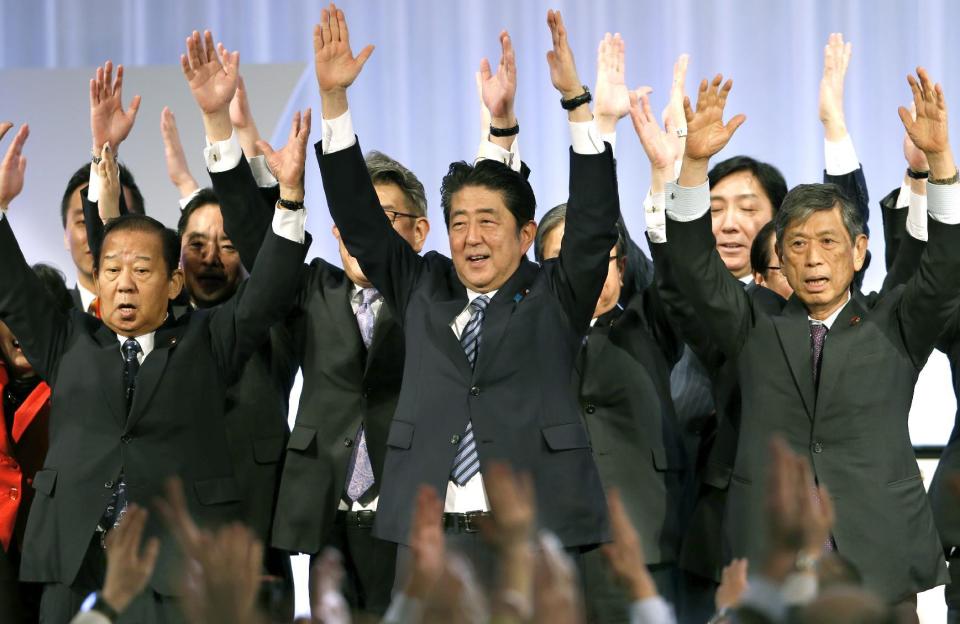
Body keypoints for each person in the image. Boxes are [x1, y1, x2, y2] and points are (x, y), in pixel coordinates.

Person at [314, 2, 616, 581]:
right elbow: (360, 221)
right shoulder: (425, 285)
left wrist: (578, 105)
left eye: (488, 221)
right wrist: (335, 105)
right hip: (426, 540)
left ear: (527, 235)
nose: (471, 237)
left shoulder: (557, 294)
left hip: (532, 540)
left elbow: (596, 221)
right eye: (458, 223)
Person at [0, 61, 310, 620]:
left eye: (141, 270)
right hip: (73, 562)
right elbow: (13, 288)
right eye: (111, 269)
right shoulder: (68, 338)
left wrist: (288, 199)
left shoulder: (206, 341)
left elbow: (271, 289)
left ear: (172, 283)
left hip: (172, 572)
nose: (122, 282)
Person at [658, 65, 958, 607]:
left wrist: (940, 164)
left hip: (879, 565)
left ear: (860, 251)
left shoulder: (895, 325)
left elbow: (944, 266)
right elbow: (691, 262)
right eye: (796, 245)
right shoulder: (753, 325)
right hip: (775, 566)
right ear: (778, 256)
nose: (813, 259)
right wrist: (693, 164)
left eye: (827, 242)